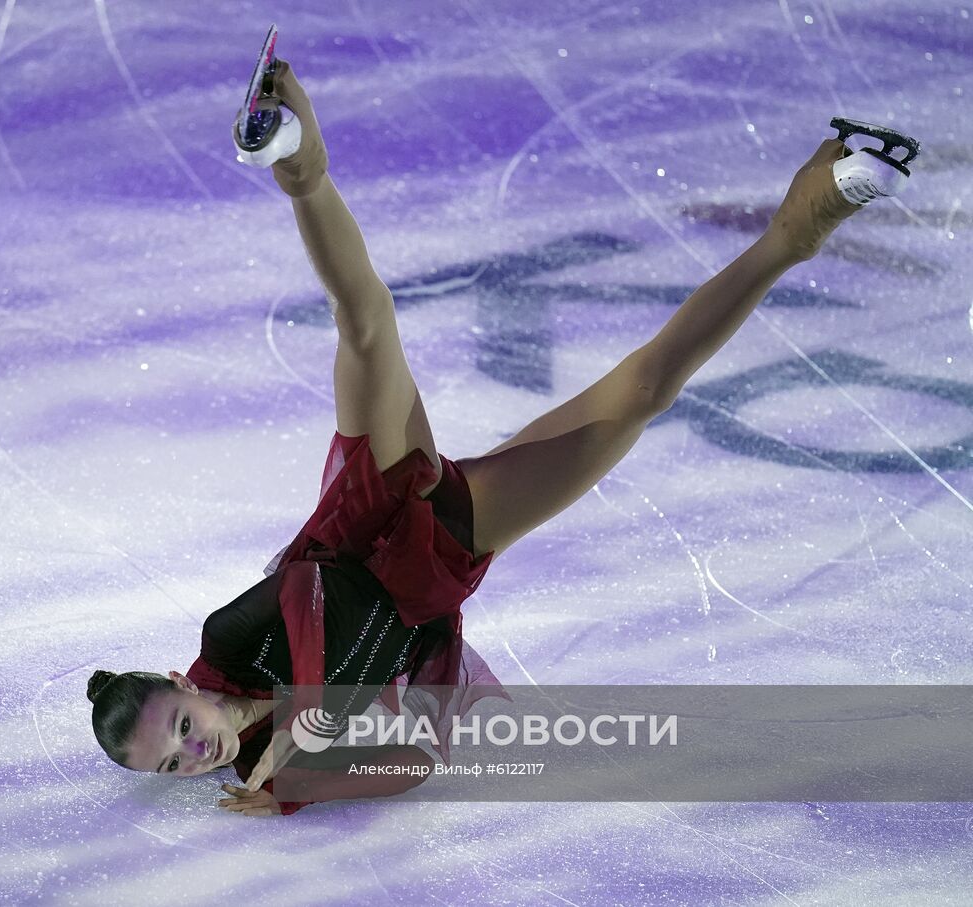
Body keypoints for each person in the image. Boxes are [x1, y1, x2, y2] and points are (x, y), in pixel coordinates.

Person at [88, 59, 904, 816]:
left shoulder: (222, 642)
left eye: (181, 724)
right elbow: (414, 758)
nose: (198, 751)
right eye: (176, 762)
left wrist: (312, 711)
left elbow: (303, 589)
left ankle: (298, 165)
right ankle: (800, 227)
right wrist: (303, 785)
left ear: (178, 683)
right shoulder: (265, 762)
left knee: (366, 326)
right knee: (646, 393)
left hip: (368, 518)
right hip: (439, 555)